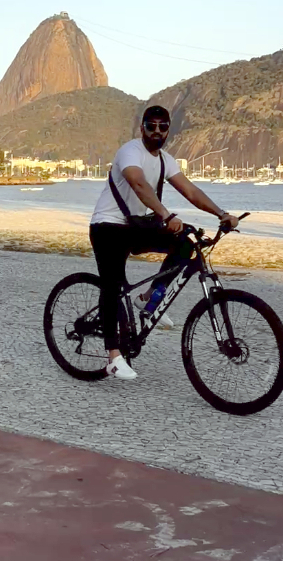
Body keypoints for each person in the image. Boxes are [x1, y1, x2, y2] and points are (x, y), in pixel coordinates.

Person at [89, 106, 238, 380]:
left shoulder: (166, 160)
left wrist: (222, 214)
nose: (156, 131)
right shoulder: (130, 152)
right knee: (111, 286)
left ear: (169, 130)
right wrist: (166, 214)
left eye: (162, 126)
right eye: (151, 125)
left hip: (136, 226)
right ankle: (112, 355)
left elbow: (190, 190)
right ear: (142, 128)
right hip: (107, 227)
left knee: (184, 244)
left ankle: (149, 300)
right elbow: (138, 184)